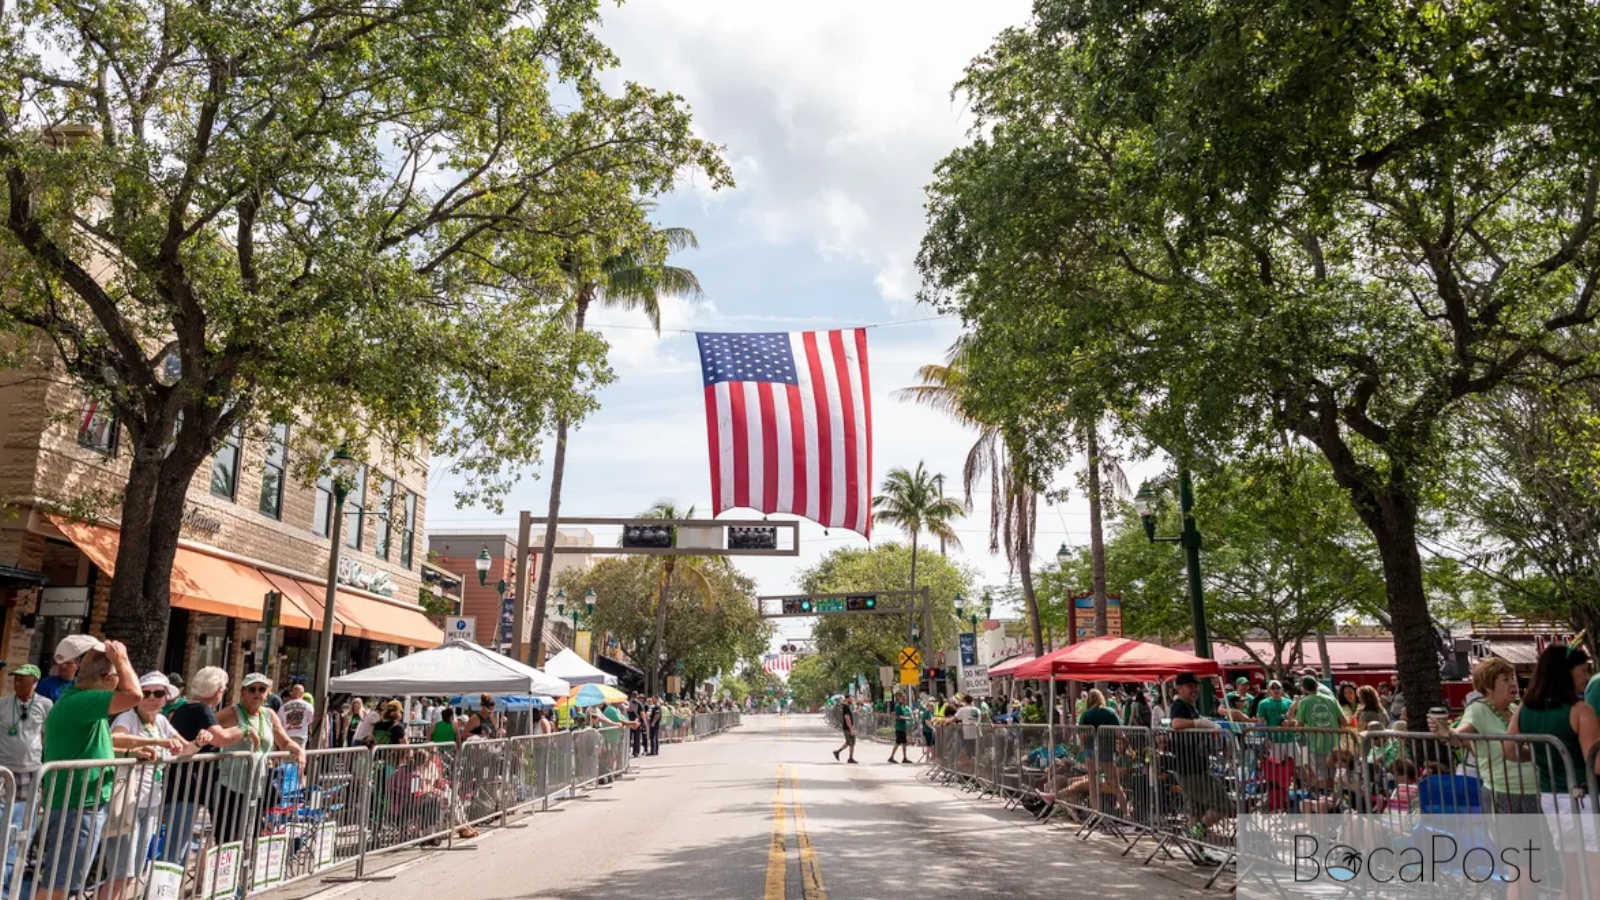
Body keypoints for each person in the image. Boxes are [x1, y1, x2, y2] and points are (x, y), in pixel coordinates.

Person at [38, 635, 142, 900]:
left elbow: (91, 744)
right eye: (117, 678)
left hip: (81, 803)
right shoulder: (83, 701)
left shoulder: (80, 702)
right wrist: (122, 659)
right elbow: (134, 695)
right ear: (108, 679)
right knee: (60, 884)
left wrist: (132, 752)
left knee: (66, 880)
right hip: (77, 804)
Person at [103, 672, 202, 900]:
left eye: (158, 693)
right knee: (121, 871)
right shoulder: (127, 718)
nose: (152, 698)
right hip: (127, 801)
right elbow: (115, 739)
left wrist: (199, 742)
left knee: (136, 869)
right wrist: (155, 742)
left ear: (166, 697)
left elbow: (185, 749)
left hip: (152, 802)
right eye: (147, 693)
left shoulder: (161, 721)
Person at [162, 666, 244, 866]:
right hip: (186, 787)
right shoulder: (201, 709)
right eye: (223, 689)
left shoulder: (184, 707)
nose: (222, 693)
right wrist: (246, 729)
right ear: (216, 691)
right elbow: (221, 738)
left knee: (178, 846)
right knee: (176, 849)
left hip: (184, 785)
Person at [213, 672, 305, 843]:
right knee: (224, 839)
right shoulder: (231, 713)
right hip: (231, 786)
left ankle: (245, 870)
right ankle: (216, 869)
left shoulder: (269, 715)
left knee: (252, 836)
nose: (257, 693)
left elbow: (284, 742)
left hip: (257, 786)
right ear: (242, 692)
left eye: (262, 689)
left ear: (267, 693)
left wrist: (299, 751)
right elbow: (210, 731)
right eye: (252, 689)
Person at [1441, 656, 1540, 813]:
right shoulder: (1477, 709)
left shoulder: (1515, 709)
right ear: (1488, 687)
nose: (1513, 683)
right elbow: (1460, 734)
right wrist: (1445, 731)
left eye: (1513, 678)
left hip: (1535, 790)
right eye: (1505, 679)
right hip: (1504, 792)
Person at [1511, 643, 1600, 812]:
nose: (1587, 677)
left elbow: (1509, 750)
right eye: (1583, 671)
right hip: (1584, 797)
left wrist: (1545, 754)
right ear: (1567, 673)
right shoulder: (1581, 710)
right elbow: (1596, 763)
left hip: (1549, 797)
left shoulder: (1524, 708)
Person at [0, 663, 49, 892]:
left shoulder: (45, 705)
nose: (17, 682)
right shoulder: (3, 705)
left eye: (23, 679)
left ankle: (11, 886)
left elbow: (49, 735)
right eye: (16, 679)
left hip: (31, 772)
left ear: (35, 682)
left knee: (23, 830)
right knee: (2, 824)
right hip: (4, 772)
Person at [1167, 672, 1228, 840]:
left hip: (1196, 765)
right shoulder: (1179, 705)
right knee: (1224, 805)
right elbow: (1176, 724)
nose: (1194, 690)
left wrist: (1203, 721)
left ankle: (1197, 846)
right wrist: (1199, 723)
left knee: (1196, 810)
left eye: (1196, 686)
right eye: (1190, 686)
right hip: (1189, 768)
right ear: (1179, 689)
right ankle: (1195, 834)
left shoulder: (1190, 706)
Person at [1287, 674, 1345, 790]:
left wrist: (1292, 723)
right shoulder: (1331, 699)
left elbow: (1299, 725)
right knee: (1332, 776)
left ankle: (1325, 802)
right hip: (1333, 743)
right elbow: (1343, 721)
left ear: (1303, 688)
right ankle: (1331, 802)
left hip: (1316, 744)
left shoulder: (1304, 701)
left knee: (1321, 776)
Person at [888, 692, 912, 764]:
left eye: (905, 699)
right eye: (903, 699)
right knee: (897, 743)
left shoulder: (902, 706)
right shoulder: (898, 706)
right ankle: (891, 757)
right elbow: (898, 716)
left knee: (904, 743)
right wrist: (907, 718)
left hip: (903, 727)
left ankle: (904, 758)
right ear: (900, 699)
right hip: (899, 727)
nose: (905, 700)